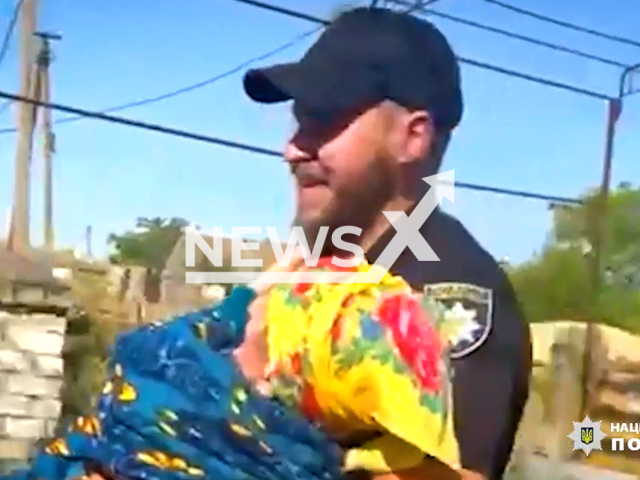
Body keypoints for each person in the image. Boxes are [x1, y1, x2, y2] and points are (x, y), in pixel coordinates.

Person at [242, 6, 532, 480]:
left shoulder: (447, 298)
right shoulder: (316, 272)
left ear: (413, 136)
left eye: (323, 118)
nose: (292, 148)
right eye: (298, 120)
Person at [1, 258, 463, 480]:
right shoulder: (278, 454)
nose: (228, 335)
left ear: (265, 389)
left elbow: (165, 357)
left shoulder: (146, 420)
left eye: (249, 334)